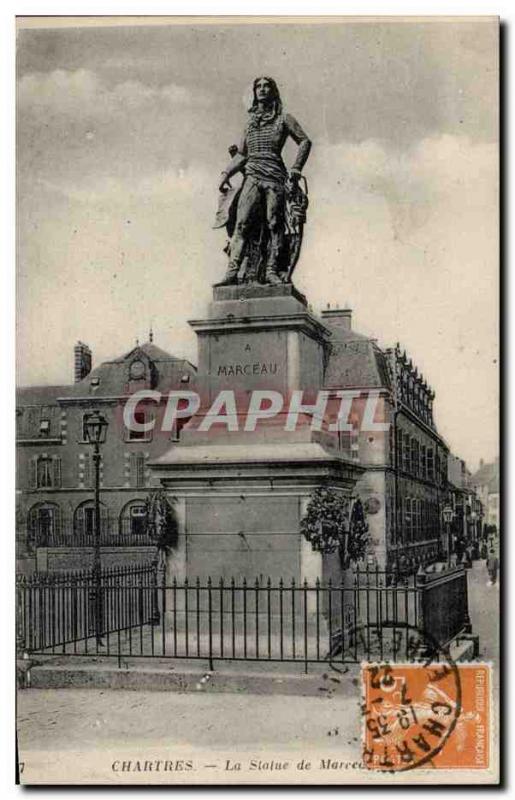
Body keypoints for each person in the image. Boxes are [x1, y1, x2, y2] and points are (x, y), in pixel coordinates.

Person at [215, 77, 311, 286]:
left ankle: (271, 271)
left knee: (275, 224)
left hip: (274, 177)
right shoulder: (250, 124)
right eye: (258, 87)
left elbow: (304, 141)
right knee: (241, 224)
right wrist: (226, 174)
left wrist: (296, 168)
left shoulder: (284, 119)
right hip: (252, 176)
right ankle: (232, 273)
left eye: (266, 86)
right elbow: (241, 155)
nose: (262, 89)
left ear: (273, 92)